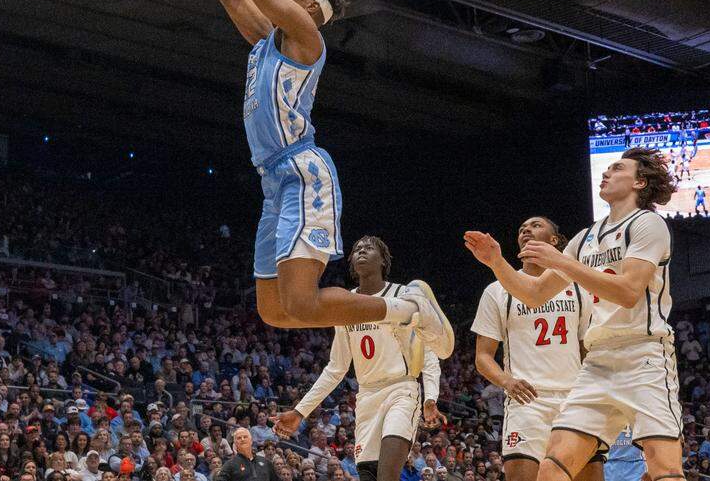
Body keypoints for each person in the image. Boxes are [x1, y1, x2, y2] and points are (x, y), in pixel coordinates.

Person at [217, 0, 453, 355]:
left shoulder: (306, 38)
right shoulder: (268, 42)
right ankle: (389, 312)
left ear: (308, 11)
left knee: (301, 304)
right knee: (274, 311)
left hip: (304, 175)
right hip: (273, 182)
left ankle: (405, 308)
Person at [464, 146, 681, 481]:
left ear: (639, 182)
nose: (606, 173)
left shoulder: (648, 224)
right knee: (551, 469)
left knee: (664, 470)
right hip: (596, 363)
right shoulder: (586, 238)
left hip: (643, 356)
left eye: (617, 168)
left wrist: (561, 261)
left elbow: (627, 292)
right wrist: (496, 261)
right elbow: (533, 294)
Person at [273, 237, 445, 481]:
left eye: (369, 248)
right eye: (356, 249)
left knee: (387, 475)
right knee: (368, 475)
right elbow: (336, 368)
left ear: (383, 260)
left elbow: (428, 351)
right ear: (352, 263)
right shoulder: (345, 304)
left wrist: (430, 398)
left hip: (401, 390)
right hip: (366, 397)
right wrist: (300, 411)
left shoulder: (403, 294)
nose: (361, 251)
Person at [469, 217, 602, 481]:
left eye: (536, 225)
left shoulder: (578, 287)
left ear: (554, 241)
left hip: (574, 399)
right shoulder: (496, 290)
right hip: (526, 402)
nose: (526, 230)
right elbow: (483, 356)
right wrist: (507, 381)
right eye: (521, 229)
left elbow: (588, 347)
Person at [213, 429, 279, 481]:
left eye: (245, 437)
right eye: (239, 438)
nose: (242, 439)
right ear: (235, 444)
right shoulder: (230, 464)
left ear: (251, 441)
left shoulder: (266, 462)